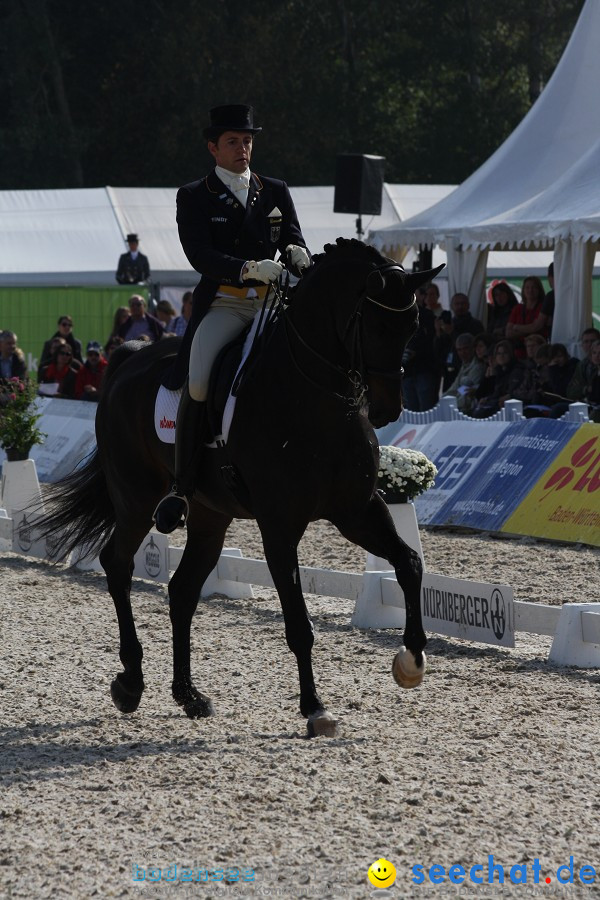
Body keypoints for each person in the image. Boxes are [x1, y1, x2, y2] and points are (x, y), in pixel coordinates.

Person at [154, 103, 310, 533]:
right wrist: (246, 268)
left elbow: (292, 235)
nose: (242, 149)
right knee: (201, 378)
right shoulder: (194, 195)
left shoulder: (274, 189)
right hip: (227, 301)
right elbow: (199, 253)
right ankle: (182, 485)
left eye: (247, 141)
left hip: (273, 302)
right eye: (233, 142)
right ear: (213, 148)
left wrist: (298, 252)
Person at [402, 287, 439, 411]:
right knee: (411, 410)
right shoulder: (401, 314)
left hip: (424, 368)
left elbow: (431, 340)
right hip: (407, 370)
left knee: (426, 409)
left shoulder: (427, 315)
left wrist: (415, 351)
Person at [470, 339, 518, 418]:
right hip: (497, 404)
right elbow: (480, 394)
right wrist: (488, 378)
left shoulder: (516, 370)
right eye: (499, 354)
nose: (490, 362)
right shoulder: (499, 371)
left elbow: (508, 392)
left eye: (504, 353)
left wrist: (492, 377)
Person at [442, 333, 486, 414]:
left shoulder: (478, 367)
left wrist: (450, 406)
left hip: (467, 410)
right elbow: (454, 389)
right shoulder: (464, 365)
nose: (462, 352)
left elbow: (464, 391)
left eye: (465, 348)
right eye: (459, 350)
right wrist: (442, 402)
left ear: (473, 348)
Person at [505, 276, 549, 357]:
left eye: (534, 287)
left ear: (539, 290)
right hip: (518, 352)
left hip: (539, 353)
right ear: (523, 290)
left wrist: (516, 327)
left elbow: (536, 327)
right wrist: (530, 328)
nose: (530, 290)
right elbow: (508, 333)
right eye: (527, 287)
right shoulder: (517, 308)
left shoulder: (543, 307)